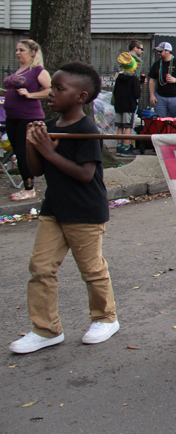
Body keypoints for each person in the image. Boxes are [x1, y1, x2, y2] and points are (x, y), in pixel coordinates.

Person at [9, 63, 119, 354]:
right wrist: (34, 144)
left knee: (92, 269)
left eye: (59, 89)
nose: (51, 94)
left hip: (84, 211)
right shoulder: (50, 126)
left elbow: (84, 174)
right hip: (54, 209)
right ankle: (46, 329)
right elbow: (36, 170)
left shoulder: (86, 130)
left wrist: (47, 150)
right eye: (52, 87)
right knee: (41, 268)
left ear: (81, 97)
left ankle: (105, 318)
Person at [4, 39, 51, 200]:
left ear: (32, 52)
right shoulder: (19, 71)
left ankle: (29, 189)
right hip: (12, 118)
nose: (17, 53)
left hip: (28, 117)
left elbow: (49, 90)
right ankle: (27, 184)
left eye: (21, 50)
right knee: (17, 152)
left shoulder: (38, 70)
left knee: (24, 152)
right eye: (16, 50)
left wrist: (30, 95)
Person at [148, 42, 176, 118]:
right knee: (161, 119)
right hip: (160, 97)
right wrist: (152, 95)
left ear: (167, 51)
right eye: (158, 51)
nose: (158, 53)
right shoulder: (157, 64)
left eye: (161, 51)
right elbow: (152, 80)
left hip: (175, 97)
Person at [112, 52, 142, 156]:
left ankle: (119, 146)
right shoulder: (133, 79)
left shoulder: (119, 78)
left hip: (119, 106)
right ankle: (126, 147)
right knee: (128, 126)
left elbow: (115, 92)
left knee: (120, 127)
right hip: (129, 106)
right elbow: (136, 94)